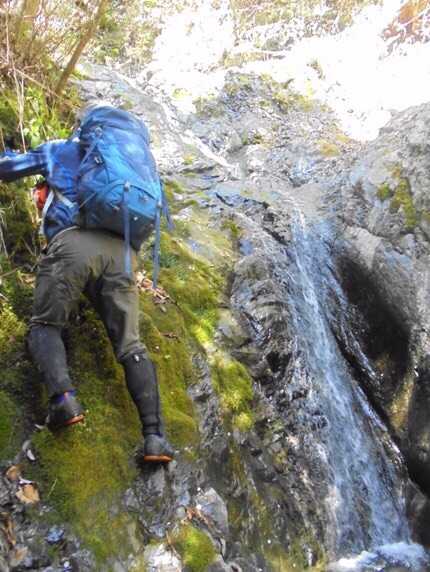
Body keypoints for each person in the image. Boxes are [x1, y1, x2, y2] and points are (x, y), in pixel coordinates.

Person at [0, 104, 174, 463]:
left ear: (86, 129)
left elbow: (7, 169)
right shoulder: (139, 170)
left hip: (74, 245)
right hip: (123, 255)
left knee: (46, 325)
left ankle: (64, 401)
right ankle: (155, 437)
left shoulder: (60, 150)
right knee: (131, 345)